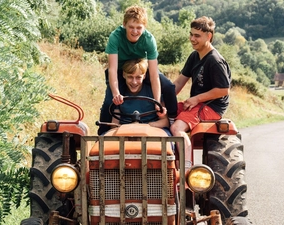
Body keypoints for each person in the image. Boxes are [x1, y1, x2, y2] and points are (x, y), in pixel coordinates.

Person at [98, 5, 177, 135]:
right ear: (124, 25)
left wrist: (157, 102)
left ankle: (172, 120)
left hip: (140, 69)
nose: (135, 31)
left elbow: (153, 75)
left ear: (144, 27)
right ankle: (102, 134)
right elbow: (112, 69)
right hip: (120, 70)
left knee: (168, 86)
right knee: (109, 102)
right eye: (131, 27)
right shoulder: (115, 37)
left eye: (139, 28)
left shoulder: (149, 40)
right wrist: (116, 93)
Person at [170, 16, 232, 169]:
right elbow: (179, 83)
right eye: (191, 34)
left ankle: (188, 169)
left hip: (211, 107)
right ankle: (169, 162)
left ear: (208, 36)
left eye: (197, 36)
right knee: (162, 115)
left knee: (176, 128)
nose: (192, 39)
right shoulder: (195, 56)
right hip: (197, 103)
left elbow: (224, 90)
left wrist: (196, 99)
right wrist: (162, 102)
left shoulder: (214, 60)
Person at [110, 58, 170, 132]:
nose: (134, 82)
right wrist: (129, 128)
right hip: (126, 132)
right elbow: (114, 124)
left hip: (151, 131)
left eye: (138, 77)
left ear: (144, 76)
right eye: (130, 77)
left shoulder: (154, 92)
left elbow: (165, 122)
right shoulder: (119, 94)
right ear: (124, 75)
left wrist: (145, 126)